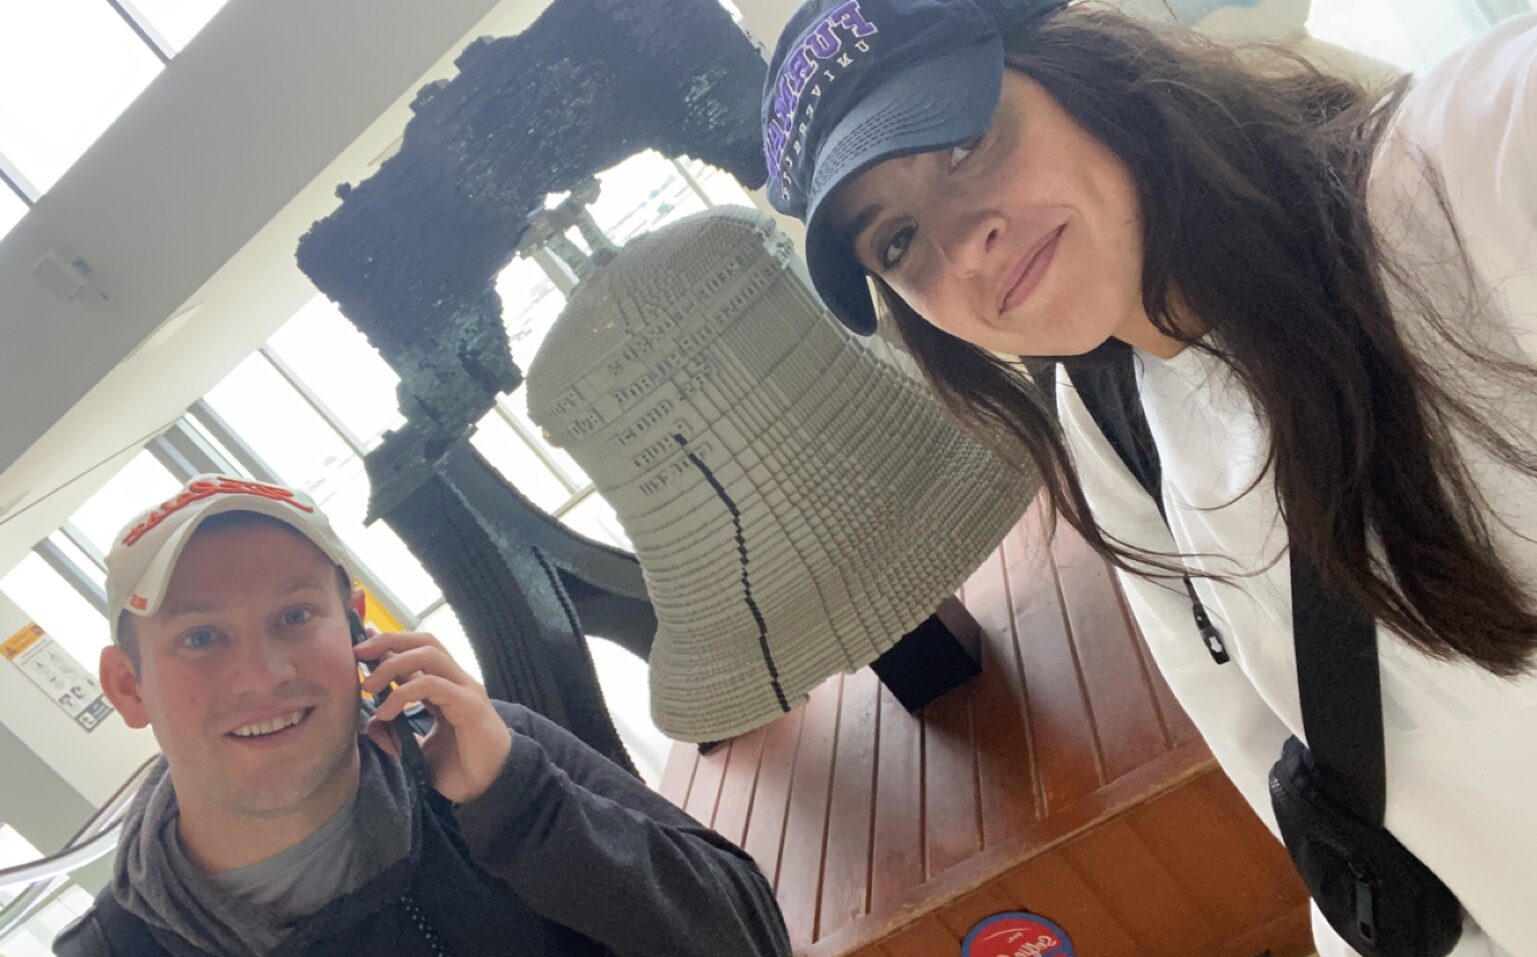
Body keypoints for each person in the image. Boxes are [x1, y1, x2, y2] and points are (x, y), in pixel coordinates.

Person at [762, 0, 1537, 955]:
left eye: (962, 144)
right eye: (896, 242)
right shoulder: (1110, 427)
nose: (962, 246)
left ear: (1075, 62)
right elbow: (1295, 765)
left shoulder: (1458, 178)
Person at [57, 474, 791, 956]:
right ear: (129, 686)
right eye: (201, 637)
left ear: (354, 627)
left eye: (293, 614)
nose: (264, 674)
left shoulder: (500, 759)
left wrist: (525, 804)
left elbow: (751, 936)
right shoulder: (117, 949)